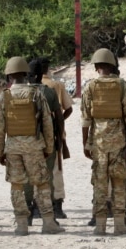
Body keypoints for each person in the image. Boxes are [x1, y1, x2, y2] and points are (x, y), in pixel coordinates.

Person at [0, 56, 64, 236]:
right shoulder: (36, 94)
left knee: (17, 186)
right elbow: (48, 123)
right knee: (42, 184)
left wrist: (0, 151)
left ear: (9, 76)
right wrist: (49, 147)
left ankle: (22, 224)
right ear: (26, 74)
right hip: (34, 147)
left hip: (13, 148)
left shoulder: (4, 97)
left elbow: (0, 127)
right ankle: (48, 222)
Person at [81, 48, 126, 235]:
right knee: (119, 182)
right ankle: (120, 225)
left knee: (99, 183)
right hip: (119, 142)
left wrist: (85, 143)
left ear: (97, 66)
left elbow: (85, 119)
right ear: (112, 66)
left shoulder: (90, 87)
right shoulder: (123, 86)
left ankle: (100, 225)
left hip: (98, 143)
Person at [24, 59, 64, 226]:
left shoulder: (19, 93)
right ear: (42, 75)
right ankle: (49, 214)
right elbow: (59, 117)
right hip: (47, 141)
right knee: (46, 177)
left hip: (24, 142)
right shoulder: (49, 92)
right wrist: (60, 139)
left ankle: (27, 213)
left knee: (27, 177)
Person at [39, 57, 72, 219]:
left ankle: (38, 205)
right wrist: (58, 123)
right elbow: (68, 109)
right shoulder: (56, 85)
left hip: (36, 134)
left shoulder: (32, 87)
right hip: (55, 132)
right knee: (56, 170)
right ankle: (57, 204)